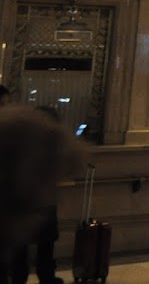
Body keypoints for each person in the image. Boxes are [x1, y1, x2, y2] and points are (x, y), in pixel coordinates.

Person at [0, 103, 80, 284]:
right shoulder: (47, 144)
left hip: (22, 207)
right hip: (36, 205)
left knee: (21, 252)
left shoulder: (22, 140)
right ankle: (44, 277)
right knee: (42, 248)